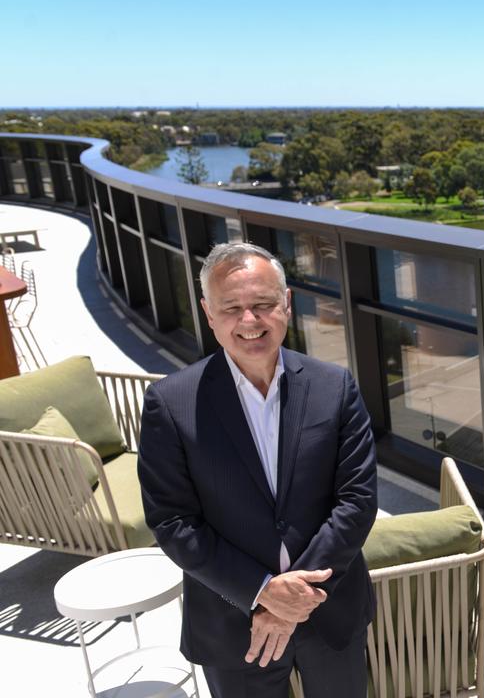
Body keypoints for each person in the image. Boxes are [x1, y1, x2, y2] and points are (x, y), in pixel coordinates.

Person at [139, 242, 377, 698]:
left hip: (330, 612)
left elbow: (358, 500)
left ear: (286, 305)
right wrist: (262, 592)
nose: (250, 321)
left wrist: (291, 604)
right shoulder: (171, 404)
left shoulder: (335, 387)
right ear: (209, 314)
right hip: (232, 624)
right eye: (232, 308)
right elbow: (171, 520)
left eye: (264, 304)